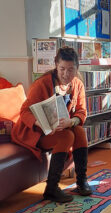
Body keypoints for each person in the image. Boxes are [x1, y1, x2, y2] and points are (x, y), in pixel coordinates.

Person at [11, 47, 92, 203]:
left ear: (77, 69)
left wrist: (72, 121)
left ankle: (82, 180)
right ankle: (52, 188)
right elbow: (24, 112)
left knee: (79, 131)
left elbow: (82, 112)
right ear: (56, 65)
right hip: (35, 132)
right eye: (62, 69)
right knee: (67, 136)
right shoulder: (41, 84)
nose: (66, 74)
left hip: (59, 128)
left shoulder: (78, 85)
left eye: (71, 70)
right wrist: (40, 123)